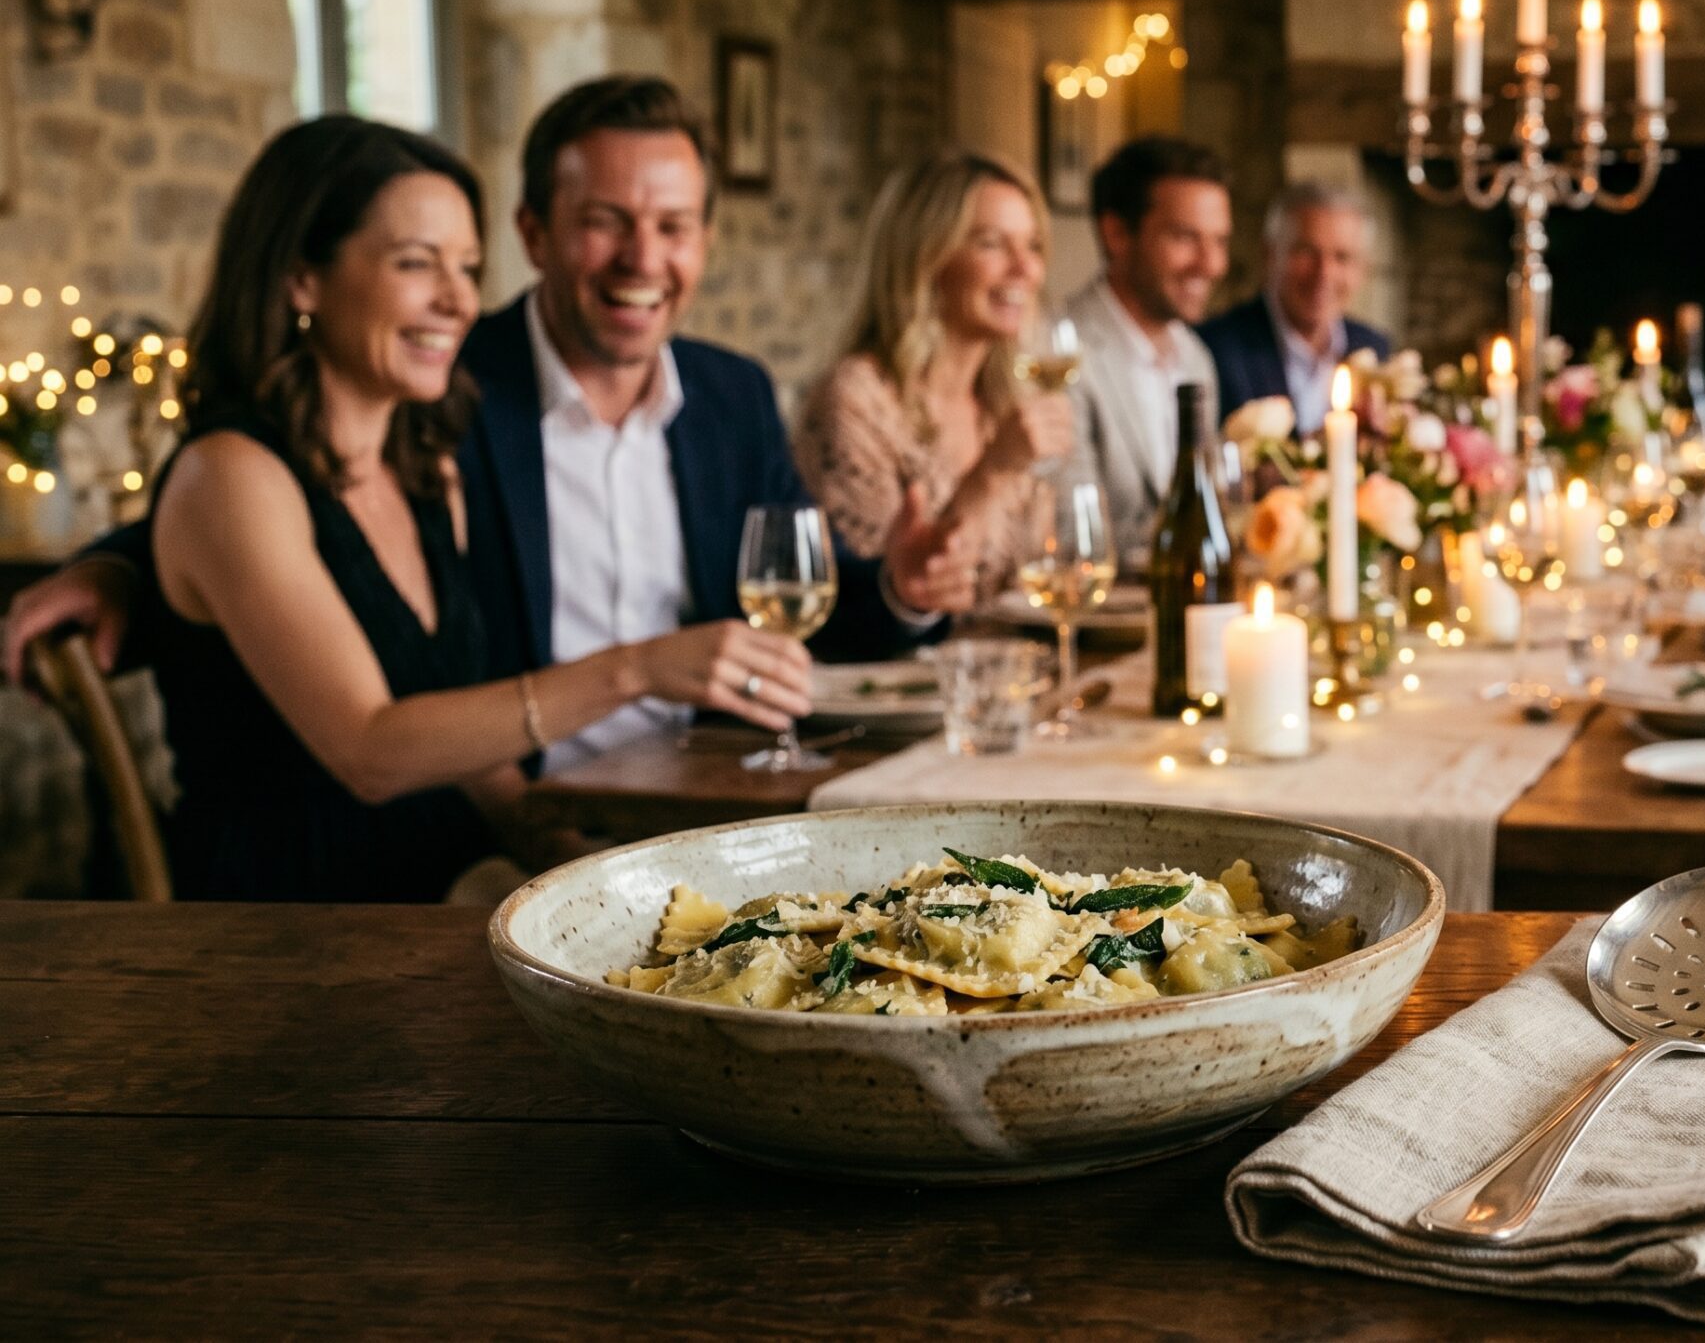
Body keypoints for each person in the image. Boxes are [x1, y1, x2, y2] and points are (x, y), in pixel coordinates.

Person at [6, 76, 975, 773]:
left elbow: (794, 608)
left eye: (674, 226)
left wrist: (900, 585)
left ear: (704, 242)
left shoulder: (730, 394)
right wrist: (118, 566)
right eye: (606, 220)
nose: (644, 258)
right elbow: (275, 495)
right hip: (503, 810)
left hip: (686, 792)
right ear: (537, 234)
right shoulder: (442, 385)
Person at [137, 116, 808, 902]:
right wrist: (639, 668)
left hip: (460, 888)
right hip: (299, 923)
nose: (458, 301)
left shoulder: (422, 465)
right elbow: (371, 749)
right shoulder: (230, 476)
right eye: (416, 264)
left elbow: (451, 716)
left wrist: (550, 844)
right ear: (301, 276)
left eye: (466, 267)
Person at [795, 151, 1077, 607]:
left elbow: (1035, 577)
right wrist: (994, 471)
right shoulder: (858, 401)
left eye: (1033, 246)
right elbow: (884, 604)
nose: (1025, 270)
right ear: (925, 257)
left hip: (1010, 669)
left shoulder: (1006, 401)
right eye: (991, 243)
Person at [1063, 136, 1229, 553]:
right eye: (1185, 238)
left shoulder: (1195, 357)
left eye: (1220, 241)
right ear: (1117, 233)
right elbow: (1071, 531)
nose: (1211, 265)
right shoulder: (1060, 353)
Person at [1197, 181, 1391, 434]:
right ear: (1270, 255)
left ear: (1363, 270)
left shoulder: (1374, 347)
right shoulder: (1216, 348)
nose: (1324, 274)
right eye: (1306, 252)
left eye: (1342, 257)